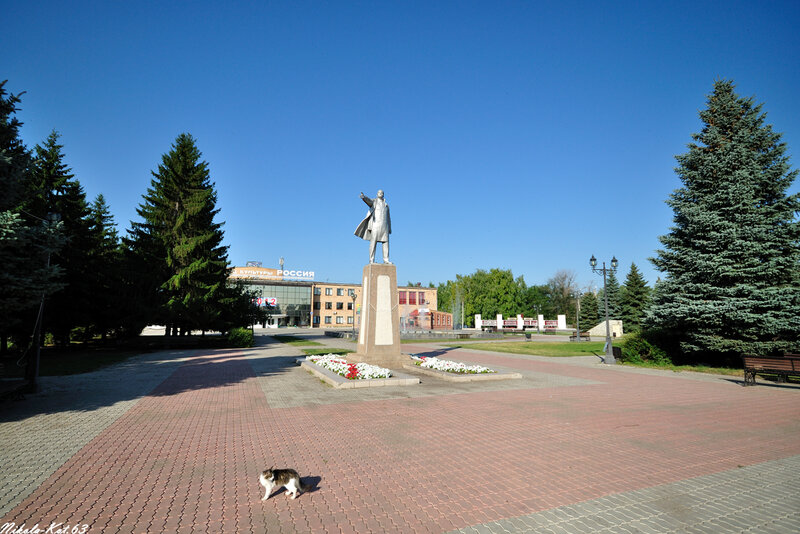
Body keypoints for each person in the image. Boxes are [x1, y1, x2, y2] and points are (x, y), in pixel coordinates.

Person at [354, 189, 391, 264]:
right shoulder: (374, 202)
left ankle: (386, 259)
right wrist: (364, 197)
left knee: (386, 242)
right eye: (379, 192)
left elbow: (388, 218)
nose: (380, 193)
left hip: (384, 226)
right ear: (377, 194)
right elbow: (369, 201)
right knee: (373, 242)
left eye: (381, 192)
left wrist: (389, 228)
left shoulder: (386, 205)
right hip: (375, 225)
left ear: (383, 194)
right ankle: (371, 259)